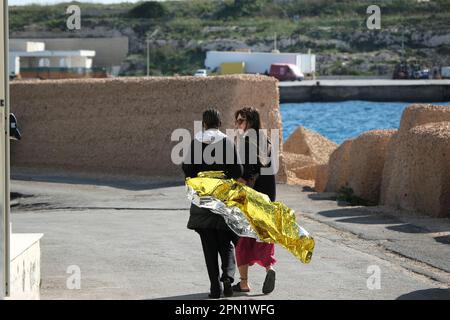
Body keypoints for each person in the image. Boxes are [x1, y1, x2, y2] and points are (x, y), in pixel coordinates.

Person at [182, 108, 243, 299]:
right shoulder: (226, 141)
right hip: (223, 200)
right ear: (220, 123)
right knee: (226, 243)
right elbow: (238, 170)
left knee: (208, 246)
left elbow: (187, 169)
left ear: (204, 123)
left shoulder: (195, 142)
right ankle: (228, 277)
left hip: (202, 200)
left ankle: (215, 288)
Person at [232, 107, 277, 295]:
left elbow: (248, 175)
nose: (237, 125)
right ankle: (270, 269)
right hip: (268, 198)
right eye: (236, 121)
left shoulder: (247, 142)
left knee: (242, 240)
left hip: (251, 199)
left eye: (241, 121)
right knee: (264, 237)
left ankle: (243, 283)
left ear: (250, 121)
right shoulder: (266, 141)